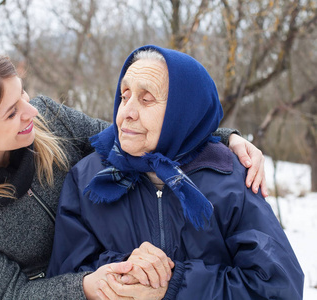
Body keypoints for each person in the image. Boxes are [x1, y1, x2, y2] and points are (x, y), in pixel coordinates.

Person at [0, 47, 267, 299]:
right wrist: (84, 287)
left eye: (24, 95)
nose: (30, 112)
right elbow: (10, 292)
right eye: (11, 113)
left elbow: (130, 136)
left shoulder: (49, 118)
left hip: (127, 261)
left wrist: (223, 137)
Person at [47, 45, 304, 299]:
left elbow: (278, 288)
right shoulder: (89, 178)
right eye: (124, 96)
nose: (126, 113)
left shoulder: (231, 179)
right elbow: (64, 282)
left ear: (182, 113)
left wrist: (175, 285)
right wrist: (128, 272)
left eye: (146, 99)